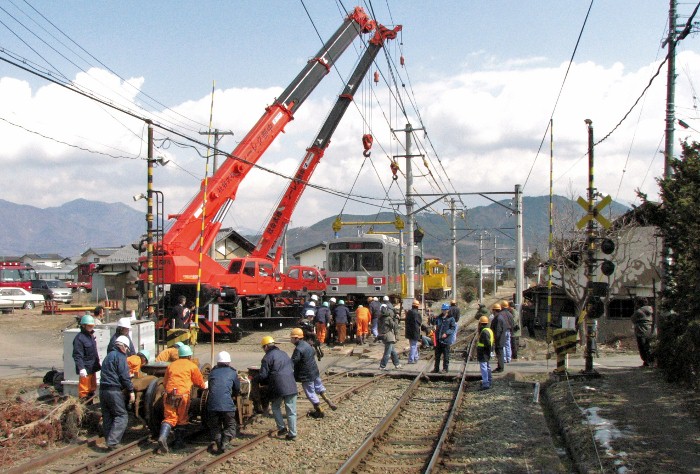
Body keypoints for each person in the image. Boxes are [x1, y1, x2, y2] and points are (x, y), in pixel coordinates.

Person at [157, 344, 207, 453]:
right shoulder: (192, 366)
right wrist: (204, 387)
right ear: (189, 356)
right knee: (182, 418)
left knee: (169, 417)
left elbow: (165, 382)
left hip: (169, 394)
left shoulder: (171, 365)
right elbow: (199, 382)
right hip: (183, 395)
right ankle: (178, 443)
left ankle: (163, 437)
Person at [253, 336, 298, 441]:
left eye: (263, 348)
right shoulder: (284, 353)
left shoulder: (267, 358)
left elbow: (263, 375)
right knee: (291, 410)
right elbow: (291, 366)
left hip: (278, 387)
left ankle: (282, 428)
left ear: (266, 346)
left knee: (275, 407)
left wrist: (254, 379)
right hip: (291, 385)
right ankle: (293, 433)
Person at [290, 328, 337, 419]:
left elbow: (293, 362)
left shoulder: (298, 349)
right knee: (319, 387)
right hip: (314, 371)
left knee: (310, 392)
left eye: (292, 338)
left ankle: (319, 410)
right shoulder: (307, 345)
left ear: (296, 338)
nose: (291, 340)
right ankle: (327, 399)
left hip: (306, 375)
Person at [99, 335, 135, 450]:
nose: (127, 352)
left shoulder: (108, 356)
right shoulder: (120, 357)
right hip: (114, 390)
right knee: (121, 415)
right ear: (123, 346)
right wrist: (130, 390)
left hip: (103, 390)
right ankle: (113, 442)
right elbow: (124, 376)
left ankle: (109, 439)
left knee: (108, 416)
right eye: (127, 349)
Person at [206, 351, 240, 453]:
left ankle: (218, 441)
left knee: (214, 425)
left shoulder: (212, 372)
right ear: (229, 362)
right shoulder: (233, 373)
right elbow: (237, 388)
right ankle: (225, 442)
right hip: (227, 406)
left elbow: (211, 387)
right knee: (230, 424)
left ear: (218, 362)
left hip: (212, 406)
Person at [72, 314, 101, 402]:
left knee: (92, 389)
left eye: (92, 326)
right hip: (85, 369)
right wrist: (81, 368)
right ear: (83, 326)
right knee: (84, 391)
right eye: (89, 326)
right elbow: (77, 355)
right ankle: (84, 409)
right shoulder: (79, 339)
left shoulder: (91, 336)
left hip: (92, 368)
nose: (91, 328)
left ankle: (90, 405)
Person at [432, 303, 456, 373]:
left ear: (448, 310)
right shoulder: (439, 318)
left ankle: (445, 369)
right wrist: (434, 326)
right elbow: (435, 324)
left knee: (446, 355)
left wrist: (446, 333)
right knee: (437, 355)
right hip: (438, 339)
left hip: (446, 340)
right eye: (442, 309)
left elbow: (453, 328)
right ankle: (436, 369)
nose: (443, 311)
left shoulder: (451, 319)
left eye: (445, 310)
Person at [631, 298, 655, 367]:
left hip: (641, 331)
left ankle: (647, 361)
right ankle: (650, 361)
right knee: (649, 347)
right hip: (651, 330)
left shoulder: (639, 311)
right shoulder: (651, 309)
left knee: (642, 347)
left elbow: (633, 319)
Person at [378, 301, 402, 370]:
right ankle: (382, 366)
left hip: (383, 336)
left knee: (393, 351)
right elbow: (395, 326)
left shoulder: (379, 319)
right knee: (387, 353)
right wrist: (396, 319)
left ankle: (397, 364)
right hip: (389, 337)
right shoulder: (388, 318)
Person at [476, 316, 494, 390]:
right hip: (486, 352)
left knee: (484, 368)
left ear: (481, 323)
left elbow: (487, 343)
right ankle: (489, 380)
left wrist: (489, 351)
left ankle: (485, 383)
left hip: (483, 352)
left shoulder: (484, 332)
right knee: (487, 367)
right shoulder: (489, 330)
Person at [490, 303, 507, 373]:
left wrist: (494, 339)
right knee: (499, 353)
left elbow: (498, 330)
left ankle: (500, 368)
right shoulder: (500, 317)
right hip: (500, 339)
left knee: (500, 353)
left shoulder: (498, 319)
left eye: (493, 310)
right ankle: (500, 367)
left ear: (494, 310)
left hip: (499, 339)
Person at [404, 300, 422, 364]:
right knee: (413, 345)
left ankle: (416, 357)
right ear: (417, 306)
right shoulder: (417, 314)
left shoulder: (408, 312)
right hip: (415, 331)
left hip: (408, 331)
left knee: (413, 345)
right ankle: (411, 359)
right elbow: (419, 322)